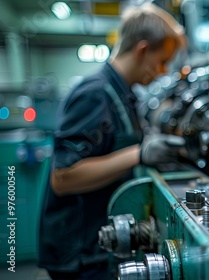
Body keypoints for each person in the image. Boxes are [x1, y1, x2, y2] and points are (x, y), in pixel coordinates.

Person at [38, 3, 186, 279]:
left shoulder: (123, 94)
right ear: (142, 50)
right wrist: (139, 154)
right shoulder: (95, 95)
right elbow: (63, 176)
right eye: (163, 61)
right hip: (79, 253)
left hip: (99, 242)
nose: (164, 72)